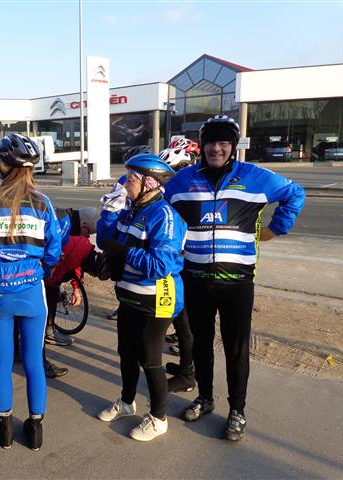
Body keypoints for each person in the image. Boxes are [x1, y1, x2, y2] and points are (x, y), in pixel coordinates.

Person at [163, 115, 305, 441]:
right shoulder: (183, 181)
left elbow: (295, 193)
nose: (217, 148)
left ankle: (237, 411)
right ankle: (205, 398)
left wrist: (275, 229)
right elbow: (160, 210)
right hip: (196, 279)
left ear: (233, 146)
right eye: (211, 142)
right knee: (201, 346)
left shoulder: (254, 176)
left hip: (237, 283)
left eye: (224, 142)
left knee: (236, 349)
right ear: (203, 146)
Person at [0, 133, 61, 450]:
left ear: (4, 164)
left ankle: (5, 427)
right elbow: (53, 251)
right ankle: (35, 430)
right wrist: (39, 269)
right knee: (34, 361)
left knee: (2, 362)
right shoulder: (42, 203)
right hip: (32, 290)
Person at [96, 153, 186, 442]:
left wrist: (124, 252)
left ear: (149, 183)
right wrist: (109, 213)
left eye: (131, 180)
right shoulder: (131, 210)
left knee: (150, 359)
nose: (125, 184)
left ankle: (159, 419)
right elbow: (105, 240)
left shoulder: (165, 216)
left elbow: (160, 265)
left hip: (156, 298)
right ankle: (126, 402)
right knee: (126, 352)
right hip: (129, 295)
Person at [42, 207, 101, 378]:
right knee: (40, 317)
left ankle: (21, 350)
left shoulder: (64, 222)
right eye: (88, 232)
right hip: (41, 278)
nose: (87, 236)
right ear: (84, 225)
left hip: (26, 277)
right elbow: (56, 257)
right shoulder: (66, 229)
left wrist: (76, 288)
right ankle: (40, 359)